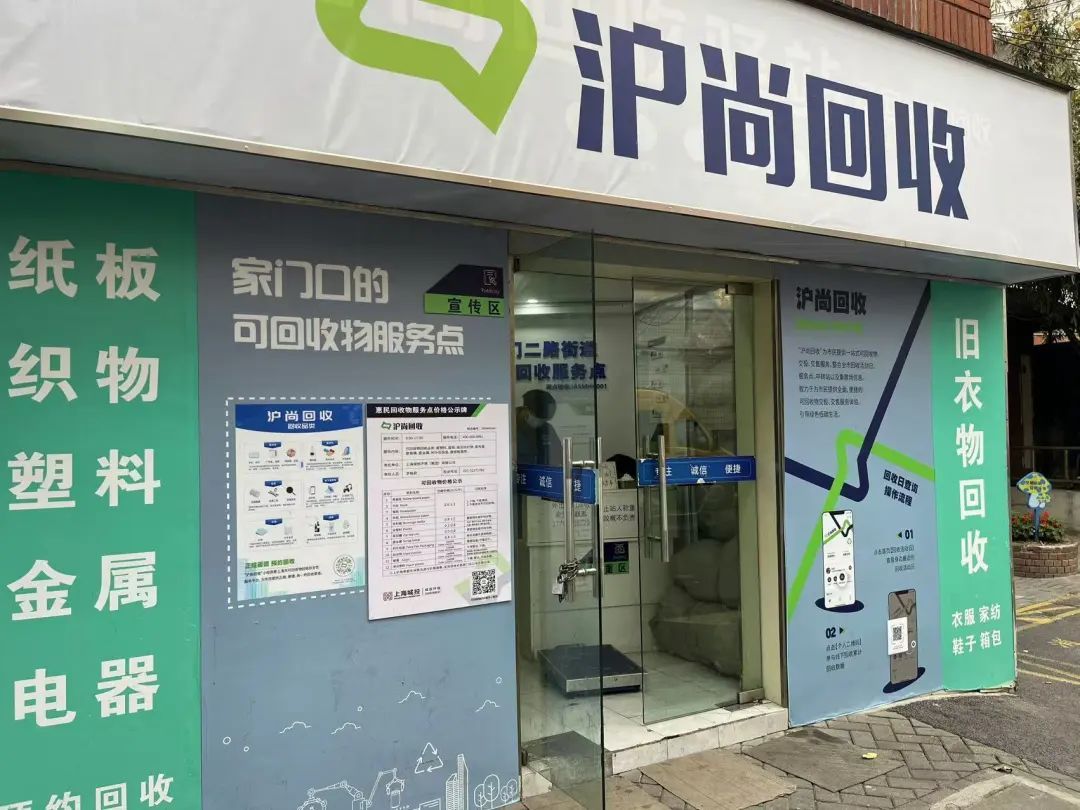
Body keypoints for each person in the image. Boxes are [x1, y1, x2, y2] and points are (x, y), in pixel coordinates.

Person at [516, 389, 563, 467]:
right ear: (528, 412)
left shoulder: (547, 429)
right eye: (540, 420)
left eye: (545, 420)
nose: (542, 423)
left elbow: (559, 455)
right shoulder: (510, 427)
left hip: (542, 472)